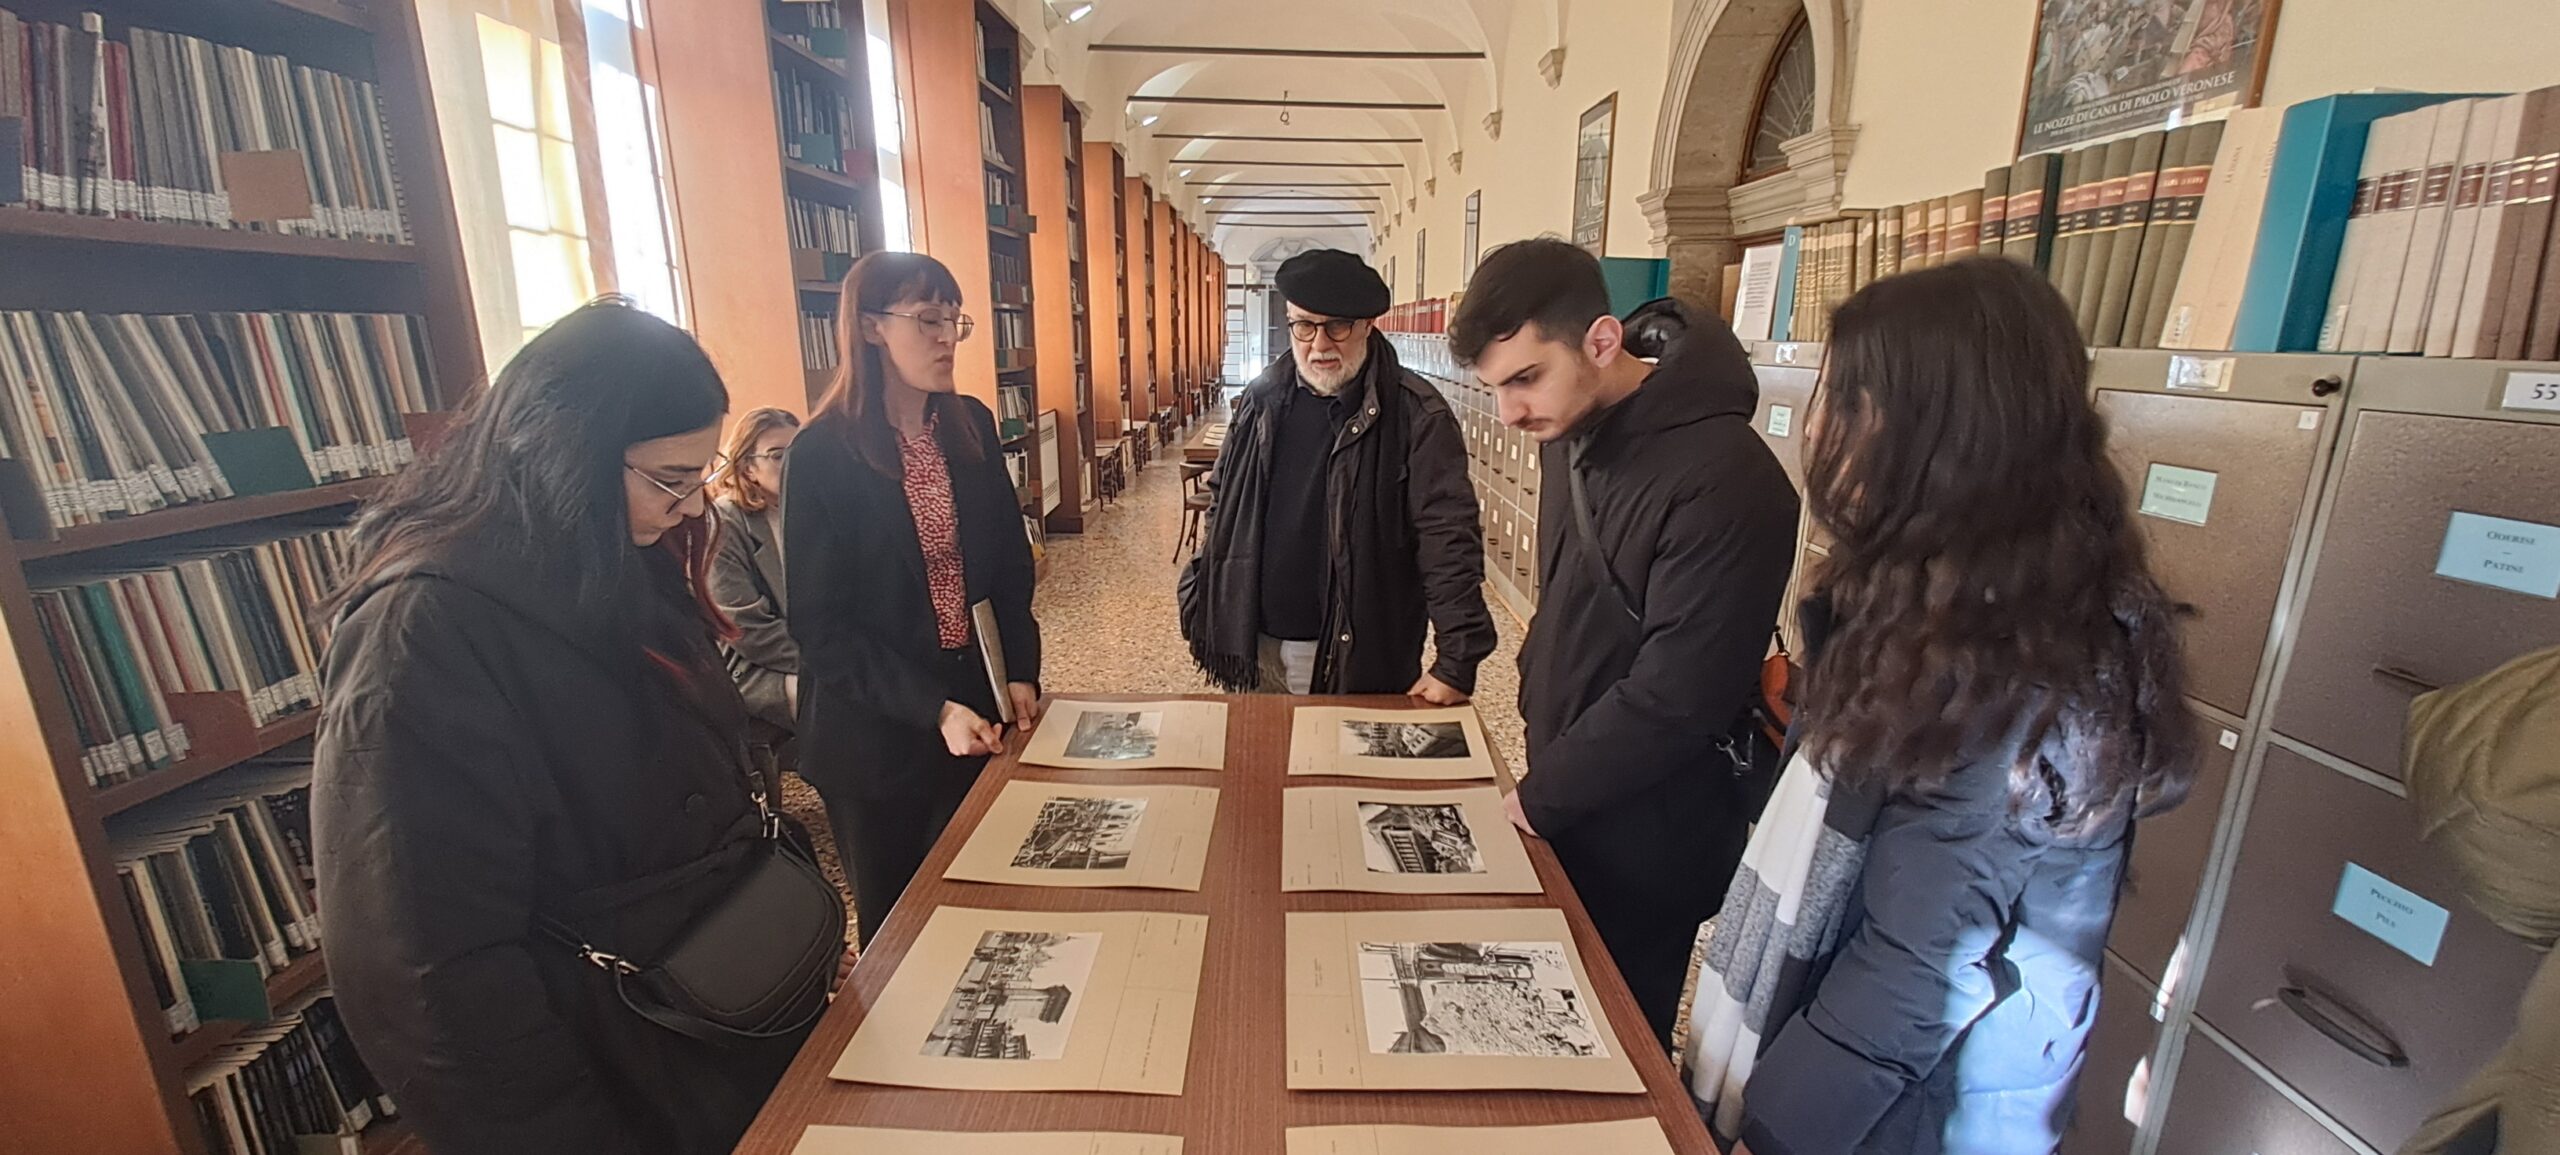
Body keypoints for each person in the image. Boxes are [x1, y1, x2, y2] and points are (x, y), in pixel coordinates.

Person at [313, 300, 834, 1154]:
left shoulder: (618, 551)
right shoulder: (420, 635)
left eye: (698, 473)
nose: (689, 505)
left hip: (714, 1017)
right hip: (608, 1068)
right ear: (565, 450)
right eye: (669, 477)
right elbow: (421, 968)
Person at [1724, 257, 2197, 1155]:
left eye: (1847, 399)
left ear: (1944, 431)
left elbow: (1921, 965)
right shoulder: (1928, 604)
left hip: (1924, 1112)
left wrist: (1776, 1136)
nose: (1815, 425)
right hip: (1874, 1075)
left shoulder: (2025, 663)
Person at [1447, 237, 1799, 1048]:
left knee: (1617, 1042)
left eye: (1525, 378)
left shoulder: (1729, 478)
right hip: (1571, 789)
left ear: (1601, 341)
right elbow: (1568, 604)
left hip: (1653, 835)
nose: (1508, 414)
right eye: (1494, 388)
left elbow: (1682, 692)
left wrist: (1539, 796)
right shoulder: (1574, 432)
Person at [787, 251, 1041, 947]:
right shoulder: (821, 453)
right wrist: (933, 709)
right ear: (871, 327)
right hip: (874, 729)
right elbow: (821, 626)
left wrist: (1019, 670)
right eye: (928, 319)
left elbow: (1009, 566)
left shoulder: (971, 424)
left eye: (955, 321)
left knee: (982, 898)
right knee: (899, 927)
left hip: (974, 705)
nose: (947, 338)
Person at [1178, 247, 1493, 699]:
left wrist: (1456, 661)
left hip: (1350, 652)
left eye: (1337, 326)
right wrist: (1208, 583)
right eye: (1304, 326)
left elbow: (1447, 540)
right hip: (1251, 640)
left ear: (1367, 325)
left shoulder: (1415, 414)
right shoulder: (1262, 399)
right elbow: (1223, 496)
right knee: (1256, 746)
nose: (1319, 344)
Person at [709, 407, 802, 739]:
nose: (792, 464)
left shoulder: (804, 510)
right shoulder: (723, 522)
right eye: (777, 455)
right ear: (748, 466)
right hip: (754, 666)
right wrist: (828, 664)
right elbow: (744, 628)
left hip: (814, 652)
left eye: (797, 452)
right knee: (846, 704)